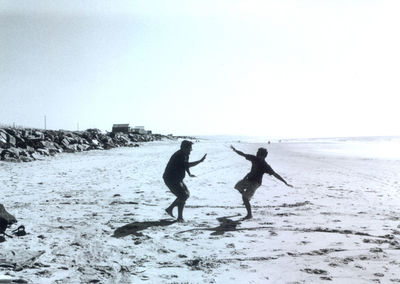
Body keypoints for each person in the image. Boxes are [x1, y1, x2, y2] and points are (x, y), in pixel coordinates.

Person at [231, 145, 293, 220]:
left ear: (264, 156)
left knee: (244, 198)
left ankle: (249, 214)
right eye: (258, 154)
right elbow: (243, 154)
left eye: (260, 155)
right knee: (237, 186)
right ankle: (247, 197)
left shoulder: (265, 166)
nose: (259, 156)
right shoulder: (254, 158)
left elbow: (275, 174)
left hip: (256, 183)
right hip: (249, 179)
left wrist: (285, 182)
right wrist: (235, 150)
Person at [163, 140, 207, 222]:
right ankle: (177, 215)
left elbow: (185, 166)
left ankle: (172, 210)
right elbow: (187, 165)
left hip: (177, 178)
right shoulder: (179, 155)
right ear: (184, 148)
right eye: (190, 148)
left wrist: (189, 173)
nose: (191, 150)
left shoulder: (185, 154)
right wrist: (200, 161)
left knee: (186, 195)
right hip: (170, 178)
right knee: (183, 195)